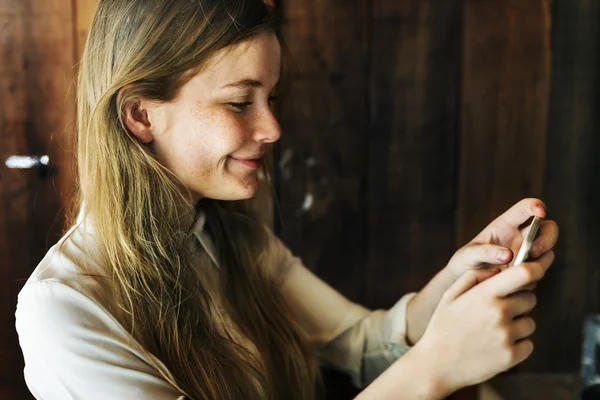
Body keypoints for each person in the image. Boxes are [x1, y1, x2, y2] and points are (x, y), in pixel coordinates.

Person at [14, 0, 559, 399]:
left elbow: (363, 344)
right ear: (140, 114)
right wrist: (435, 367)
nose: (273, 128)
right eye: (238, 103)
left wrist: (457, 281)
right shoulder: (65, 309)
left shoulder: (229, 235)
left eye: (270, 98)